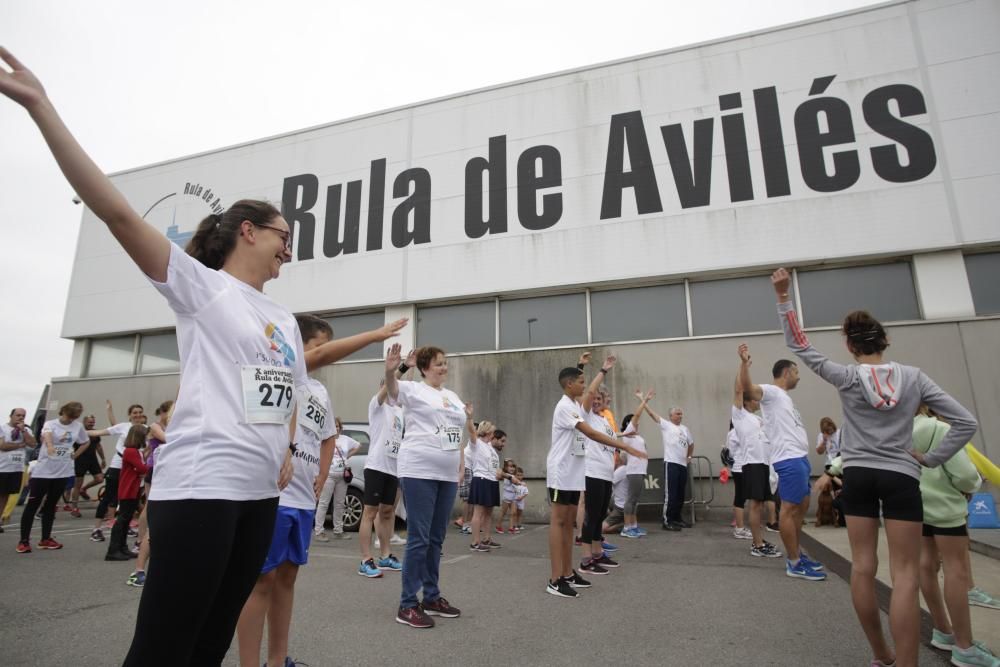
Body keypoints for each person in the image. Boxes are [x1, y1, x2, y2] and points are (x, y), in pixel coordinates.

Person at [0, 49, 408, 663]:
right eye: (282, 238)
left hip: (258, 496)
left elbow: (292, 383)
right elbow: (114, 210)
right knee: (165, 645)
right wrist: (41, 107)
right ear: (248, 230)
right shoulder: (200, 286)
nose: (287, 252)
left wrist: (285, 444)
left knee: (212, 641)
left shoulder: (279, 317)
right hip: (201, 487)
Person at [770, 268, 977, 667]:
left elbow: (799, 344)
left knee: (863, 568)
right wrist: (931, 458)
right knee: (905, 575)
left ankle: (881, 655)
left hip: (859, 474)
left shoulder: (847, 377)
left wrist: (783, 296)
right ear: (885, 341)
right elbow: (965, 421)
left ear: (849, 345)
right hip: (902, 475)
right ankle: (906, 663)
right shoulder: (915, 379)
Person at [237, 315, 337, 667]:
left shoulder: (321, 391)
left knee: (288, 577)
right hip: (275, 493)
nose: (324, 354)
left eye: (327, 347)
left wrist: (323, 474)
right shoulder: (278, 373)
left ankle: (277, 661)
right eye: (316, 347)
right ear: (296, 345)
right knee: (261, 579)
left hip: (304, 498)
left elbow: (328, 436)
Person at [384, 343, 472, 628]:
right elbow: (391, 388)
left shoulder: (452, 396)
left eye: (445, 363)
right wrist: (395, 368)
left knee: (437, 538)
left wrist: (460, 464)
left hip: (447, 474)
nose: (443, 367)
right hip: (418, 470)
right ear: (424, 367)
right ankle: (407, 604)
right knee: (418, 538)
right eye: (438, 363)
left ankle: (431, 597)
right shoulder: (412, 389)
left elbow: (457, 433)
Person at [545, 357, 646, 598]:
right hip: (561, 473)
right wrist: (628, 448)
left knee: (569, 524)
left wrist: (601, 370)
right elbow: (590, 433)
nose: (585, 386)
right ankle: (555, 579)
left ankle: (568, 573)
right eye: (581, 381)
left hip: (573, 473)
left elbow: (589, 392)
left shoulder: (575, 406)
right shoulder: (563, 408)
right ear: (570, 385)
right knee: (559, 523)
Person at [911, 409, 999, 666]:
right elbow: (964, 475)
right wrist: (973, 486)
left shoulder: (894, 431)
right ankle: (964, 647)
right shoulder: (939, 429)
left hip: (916, 506)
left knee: (926, 565)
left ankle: (943, 631)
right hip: (946, 508)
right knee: (956, 570)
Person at [739, 340, 823, 580]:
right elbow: (748, 388)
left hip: (799, 458)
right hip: (788, 459)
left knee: (800, 509)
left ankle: (797, 553)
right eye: (796, 372)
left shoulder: (784, 397)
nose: (798, 377)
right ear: (786, 372)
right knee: (789, 510)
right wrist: (744, 364)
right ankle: (794, 562)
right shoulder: (773, 393)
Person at [358, 361, 407, 579]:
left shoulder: (399, 412)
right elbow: (391, 382)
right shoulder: (376, 406)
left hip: (393, 469)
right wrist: (403, 366)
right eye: (389, 384)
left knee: (388, 513)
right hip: (376, 466)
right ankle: (365, 559)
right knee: (370, 513)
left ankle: (385, 555)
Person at [18, 401, 89, 552]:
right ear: (63, 412)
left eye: (74, 418)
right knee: (33, 505)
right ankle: (24, 541)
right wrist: (50, 446)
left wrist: (75, 455)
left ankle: (45, 538)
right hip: (43, 472)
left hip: (62, 471)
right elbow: (47, 435)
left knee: (50, 506)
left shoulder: (78, 426)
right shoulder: (51, 423)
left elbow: (85, 442)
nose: (71, 420)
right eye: (69, 416)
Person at [733, 346, 782, 559]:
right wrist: (743, 364)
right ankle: (757, 544)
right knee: (755, 505)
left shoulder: (758, 418)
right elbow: (738, 389)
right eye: (754, 399)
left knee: (761, 505)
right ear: (746, 402)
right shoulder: (740, 415)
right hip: (751, 463)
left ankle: (760, 541)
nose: (757, 401)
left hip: (764, 464)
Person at [87, 401, 146, 543]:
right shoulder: (124, 427)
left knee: (130, 499)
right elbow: (101, 431)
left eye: (140, 412)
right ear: (130, 415)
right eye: (134, 413)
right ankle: (96, 529)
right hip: (118, 464)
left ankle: (124, 526)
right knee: (109, 496)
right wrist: (79, 431)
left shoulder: (146, 428)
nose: (137, 415)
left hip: (133, 468)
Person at [129, 400, 172, 586]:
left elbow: (150, 449)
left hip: (176, 474)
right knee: (153, 514)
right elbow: (169, 441)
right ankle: (138, 567)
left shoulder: (179, 426)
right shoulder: (156, 426)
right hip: (158, 474)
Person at [638, 401, 693, 531]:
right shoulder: (666, 425)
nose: (680, 416)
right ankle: (667, 520)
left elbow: (691, 444)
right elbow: (652, 415)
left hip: (682, 465)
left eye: (681, 414)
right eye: (678, 414)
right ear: (671, 416)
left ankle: (677, 518)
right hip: (671, 463)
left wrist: (689, 457)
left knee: (680, 494)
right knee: (671, 494)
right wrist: (643, 401)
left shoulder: (685, 429)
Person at [106, 424, 149, 561]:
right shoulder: (130, 451)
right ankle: (113, 550)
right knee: (122, 520)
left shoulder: (136, 451)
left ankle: (122, 547)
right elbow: (142, 468)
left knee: (126, 519)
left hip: (133, 488)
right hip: (128, 489)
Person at [314, 417, 360, 541]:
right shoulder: (325, 440)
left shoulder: (345, 440)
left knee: (339, 504)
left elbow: (358, 445)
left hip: (342, 476)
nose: (336, 428)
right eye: (334, 426)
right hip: (329, 475)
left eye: (338, 426)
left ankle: (338, 530)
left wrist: (346, 456)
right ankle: (319, 531)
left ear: (340, 428)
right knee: (324, 503)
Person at [619, 390, 652, 538]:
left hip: (640, 470)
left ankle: (634, 526)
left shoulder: (637, 436)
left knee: (635, 500)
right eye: (634, 421)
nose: (637, 422)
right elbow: (637, 415)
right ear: (628, 424)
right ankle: (627, 528)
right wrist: (643, 400)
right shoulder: (628, 434)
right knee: (631, 499)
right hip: (634, 471)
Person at [1, 408, 35, 533]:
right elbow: (3, 446)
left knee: (6, 495)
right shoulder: (3, 428)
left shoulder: (26, 430)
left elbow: (32, 443)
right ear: (11, 416)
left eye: (23, 416)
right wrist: (21, 445)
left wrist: (24, 431)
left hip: (16, 467)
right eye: (18, 415)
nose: (20, 418)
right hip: (2, 467)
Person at [70, 414, 104, 518]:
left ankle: (84, 489)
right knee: (77, 484)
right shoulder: (78, 432)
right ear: (84, 422)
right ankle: (74, 507)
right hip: (80, 460)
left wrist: (103, 458)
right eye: (89, 422)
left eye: (93, 422)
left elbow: (98, 446)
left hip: (92, 459)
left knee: (100, 478)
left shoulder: (95, 433)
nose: (91, 423)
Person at [602, 453, 629, 536]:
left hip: (621, 507)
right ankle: (626, 521)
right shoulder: (626, 469)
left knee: (603, 529)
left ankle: (626, 525)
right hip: (623, 504)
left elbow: (607, 485)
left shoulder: (621, 471)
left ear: (619, 461)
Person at [512, 467, 528, 532]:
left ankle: (519, 524)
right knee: (514, 513)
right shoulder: (513, 484)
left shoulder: (523, 484)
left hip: (521, 501)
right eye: (517, 475)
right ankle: (514, 525)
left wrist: (522, 497)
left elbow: (526, 493)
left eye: (520, 475)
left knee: (520, 513)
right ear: (515, 475)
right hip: (515, 501)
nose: (519, 477)